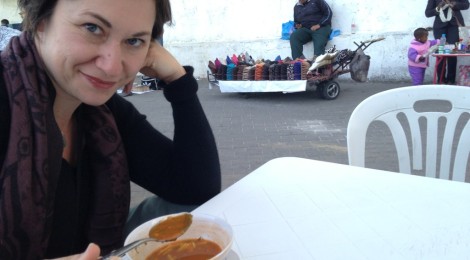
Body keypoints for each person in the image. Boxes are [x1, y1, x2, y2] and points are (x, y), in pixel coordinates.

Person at [0, 0, 221, 259]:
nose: (112, 67)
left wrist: (178, 80)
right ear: (40, 20)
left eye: (134, 41)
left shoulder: (103, 113)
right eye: (92, 28)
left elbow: (196, 189)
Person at [425, 0, 469, 84]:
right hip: (440, 28)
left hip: (454, 26)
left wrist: (454, 4)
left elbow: (466, 5)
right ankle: (441, 79)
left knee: (452, 52)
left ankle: (451, 80)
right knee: (441, 52)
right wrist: (438, 7)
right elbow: (428, 13)